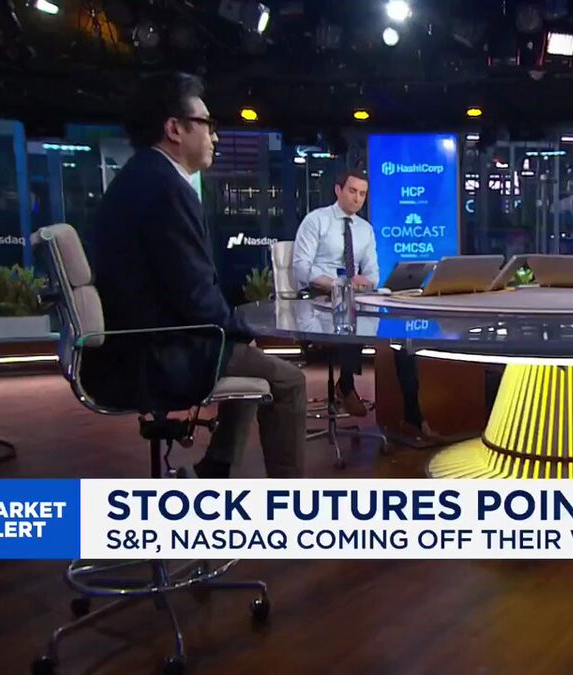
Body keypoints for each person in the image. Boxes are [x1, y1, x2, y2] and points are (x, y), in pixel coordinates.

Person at [91, 71, 305, 478]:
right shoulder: (166, 189)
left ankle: (217, 469)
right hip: (156, 353)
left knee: (246, 356)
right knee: (289, 381)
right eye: (207, 124)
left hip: (133, 346)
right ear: (175, 129)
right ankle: (292, 499)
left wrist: (235, 332)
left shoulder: (139, 178)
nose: (215, 137)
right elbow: (194, 295)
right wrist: (237, 329)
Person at [291, 171, 433, 439]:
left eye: (362, 194)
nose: (357, 198)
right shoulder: (316, 220)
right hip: (319, 298)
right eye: (352, 191)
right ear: (338, 190)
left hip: (354, 299)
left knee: (400, 337)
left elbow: (373, 274)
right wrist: (338, 283)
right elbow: (301, 269)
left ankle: (412, 417)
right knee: (350, 315)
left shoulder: (364, 229)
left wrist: (364, 281)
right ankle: (346, 385)